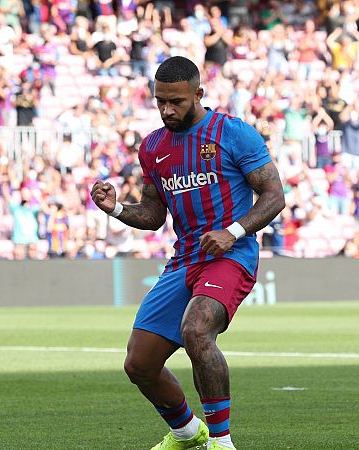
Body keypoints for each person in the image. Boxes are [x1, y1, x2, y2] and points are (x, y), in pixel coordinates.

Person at [90, 56, 285, 450]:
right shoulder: (153, 146)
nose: (167, 110)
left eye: (176, 101)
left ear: (198, 94)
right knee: (139, 363)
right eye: (160, 101)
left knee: (196, 329)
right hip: (185, 259)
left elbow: (274, 196)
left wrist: (232, 232)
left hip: (231, 254)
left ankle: (221, 442)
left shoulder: (233, 133)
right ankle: (186, 432)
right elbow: (153, 215)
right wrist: (116, 208)